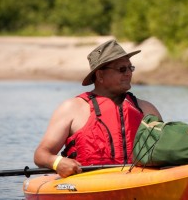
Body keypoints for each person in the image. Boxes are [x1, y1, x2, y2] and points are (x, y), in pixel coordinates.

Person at [34, 39, 162, 178]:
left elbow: (166, 149)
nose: (128, 73)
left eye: (130, 68)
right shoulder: (72, 108)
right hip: (89, 183)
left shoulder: (147, 109)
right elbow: (41, 155)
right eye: (122, 69)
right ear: (100, 75)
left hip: (139, 180)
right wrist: (57, 162)